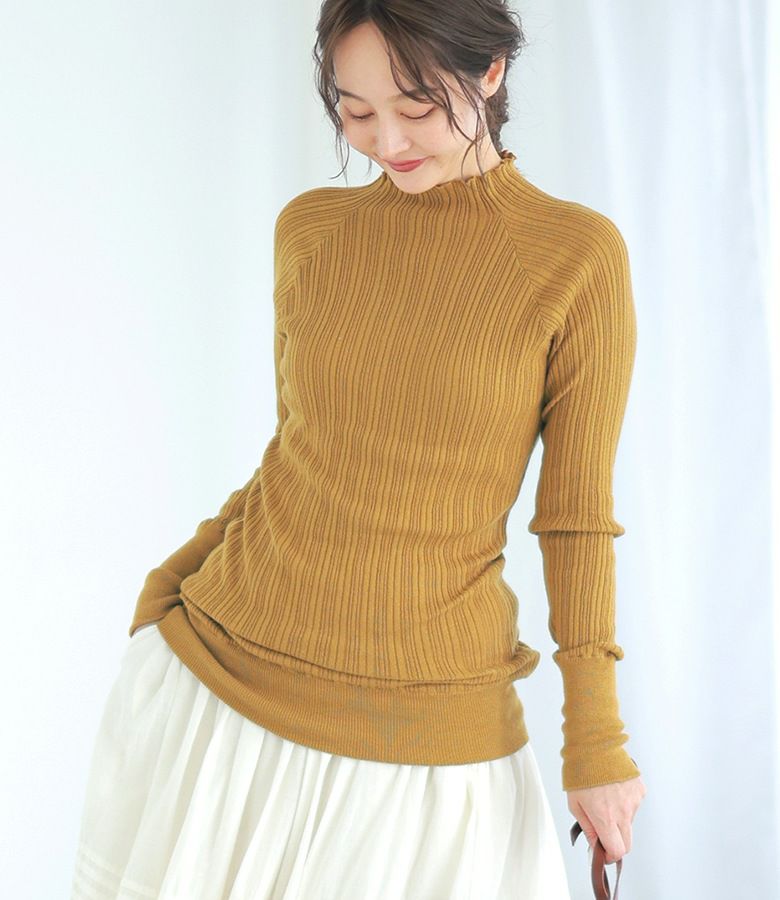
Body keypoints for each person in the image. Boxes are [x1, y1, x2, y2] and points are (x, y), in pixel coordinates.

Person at [70, 2, 647, 898]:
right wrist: (170, 585)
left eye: (417, 107)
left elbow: (574, 522)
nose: (388, 141)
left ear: (492, 71)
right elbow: (304, 452)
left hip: (429, 730)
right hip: (218, 686)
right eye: (356, 111)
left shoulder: (575, 259)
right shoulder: (311, 230)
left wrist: (596, 741)